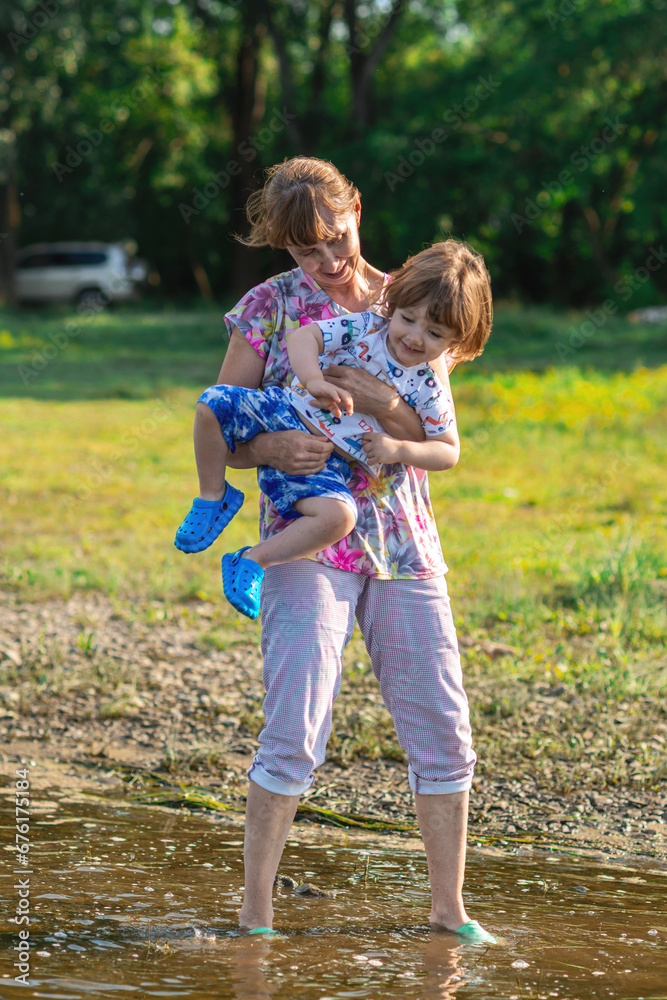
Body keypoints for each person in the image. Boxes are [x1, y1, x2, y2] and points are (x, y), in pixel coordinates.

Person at [210, 156, 496, 944]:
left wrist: (378, 401)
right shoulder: (267, 310)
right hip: (309, 537)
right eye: (305, 251)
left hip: (403, 542)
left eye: (334, 239)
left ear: (357, 212)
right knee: (294, 727)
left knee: (442, 728)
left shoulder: (416, 299)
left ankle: (449, 914)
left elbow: (429, 435)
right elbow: (225, 429)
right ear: (284, 250)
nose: (327, 262)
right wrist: (272, 444)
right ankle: (255, 918)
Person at [174, 242, 483, 622]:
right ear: (393, 306)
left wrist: (398, 448)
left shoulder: (426, 384)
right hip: (283, 411)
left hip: (322, 464)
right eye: (408, 319)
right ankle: (213, 497)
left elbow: (448, 450)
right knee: (211, 404)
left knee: (339, 517)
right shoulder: (367, 325)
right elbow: (303, 338)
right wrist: (314, 380)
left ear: (455, 342)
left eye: (435, 333)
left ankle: (253, 559)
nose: (416, 337)